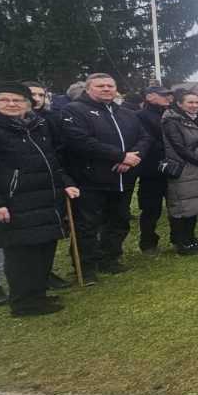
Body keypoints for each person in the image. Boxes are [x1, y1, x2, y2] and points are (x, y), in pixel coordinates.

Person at [0, 83, 80, 316]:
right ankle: (24, 304)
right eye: (4, 100)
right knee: (22, 256)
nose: (11, 104)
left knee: (43, 251)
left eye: (17, 100)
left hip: (44, 200)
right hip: (13, 203)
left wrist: (66, 182)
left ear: (27, 105)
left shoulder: (36, 126)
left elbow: (52, 160)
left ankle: (37, 296)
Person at [60, 73, 151, 281]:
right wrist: (119, 156)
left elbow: (145, 137)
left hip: (123, 177)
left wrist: (132, 157)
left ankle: (110, 258)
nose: (106, 89)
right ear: (88, 89)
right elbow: (80, 141)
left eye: (110, 85)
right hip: (90, 179)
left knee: (119, 220)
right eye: (100, 86)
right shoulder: (74, 110)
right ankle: (86, 267)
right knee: (88, 225)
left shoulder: (127, 113)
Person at [161, 89, 198, 255]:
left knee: (195, 205)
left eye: (196, 102)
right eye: (190, 102)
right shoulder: (171, 121)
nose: (194, 106)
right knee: (184, 207)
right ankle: (182, 241)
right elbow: (179, 147)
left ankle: (191, 239)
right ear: (180, 104)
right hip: (186, 168)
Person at [135, 85, 173, 254]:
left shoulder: (170, 113)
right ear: (150, 97)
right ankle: (148, 242)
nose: (168, 98)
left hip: (172, 166)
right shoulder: (140, 116)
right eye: (163, 95)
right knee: (151, 209)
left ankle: (179, 237)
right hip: (151, 169)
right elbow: (146, 140)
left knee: (176, 205)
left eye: (168, 95)